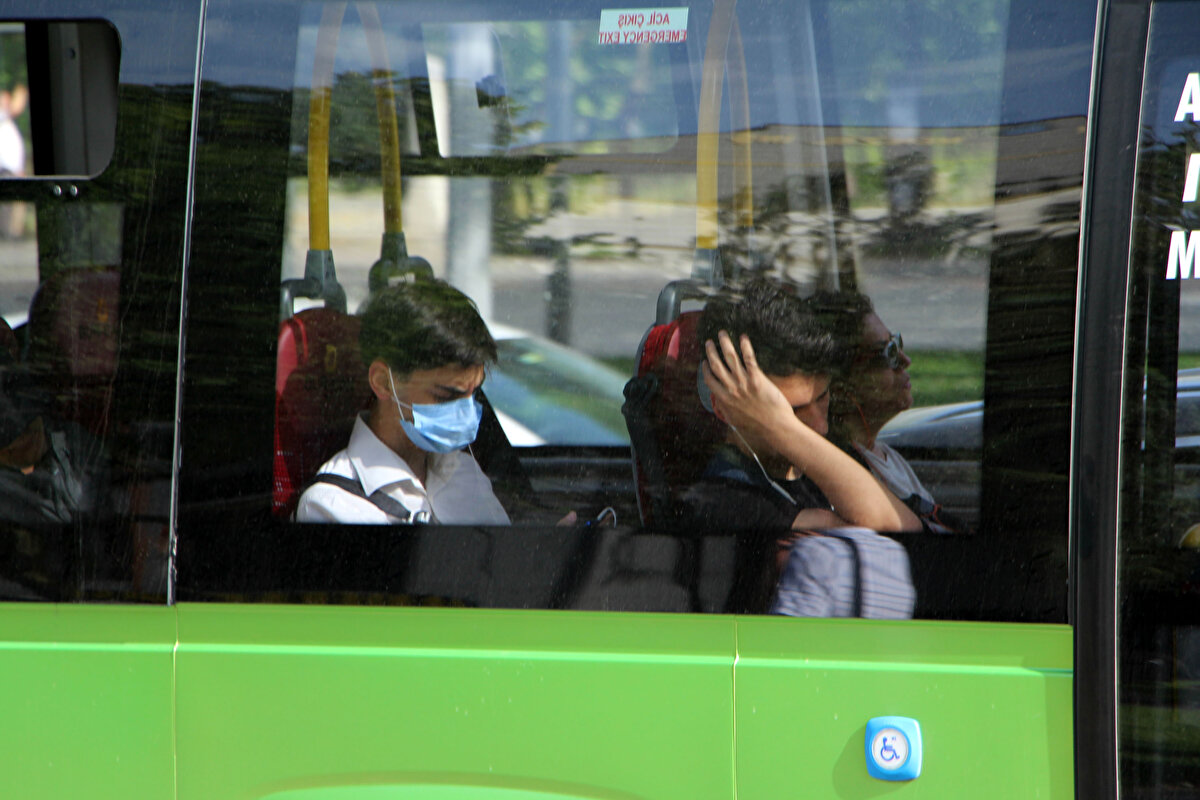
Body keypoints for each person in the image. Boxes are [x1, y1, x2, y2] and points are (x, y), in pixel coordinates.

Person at [681, 278, 919, 613]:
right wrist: (783, 428)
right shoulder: (723, 503)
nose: (820, 427)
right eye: (791, 412)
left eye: (823, 398)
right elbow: (893, 539)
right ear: (726, 405)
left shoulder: (820, 457)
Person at [295, 279, 510, 525]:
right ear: (384, 382)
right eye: (446, 396)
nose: (465, 413)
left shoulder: (466, 471)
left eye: (474, 394)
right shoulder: (331, 504)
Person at [814, 290, 960, 533]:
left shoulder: (884, 455)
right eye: (887, 353)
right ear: (841, 387)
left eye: (896, 343)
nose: (905, 360)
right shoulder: (849, 475)